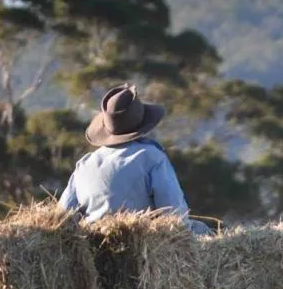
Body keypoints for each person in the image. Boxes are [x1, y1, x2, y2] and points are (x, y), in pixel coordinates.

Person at [59, 84, 200, 233]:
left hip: (92, 245)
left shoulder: (84, 164)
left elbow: (62, 216)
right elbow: (176, 216)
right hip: (144, 244)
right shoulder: (152, 157)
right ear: (143, 124)